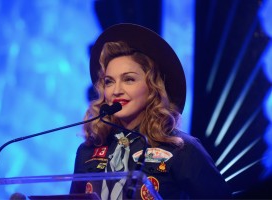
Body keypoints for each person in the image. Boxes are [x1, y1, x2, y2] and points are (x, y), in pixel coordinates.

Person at [70, 23, 232, 199]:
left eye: (129, 79)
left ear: (152, 87)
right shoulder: (87, 152)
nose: (116, 90)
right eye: (109, 81)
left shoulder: (182, 150)